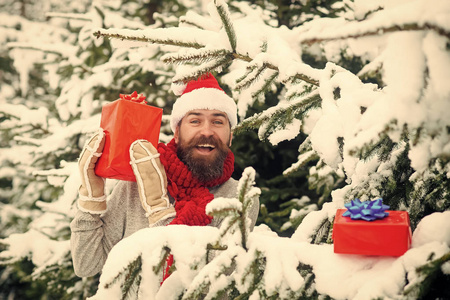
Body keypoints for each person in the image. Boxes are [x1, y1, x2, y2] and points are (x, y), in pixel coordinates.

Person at [70, 73, 260, 277]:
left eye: (218, 122)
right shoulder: (135, 184)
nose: (207, 131)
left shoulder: (240, 196)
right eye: (195, 121)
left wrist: (159, 210)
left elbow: (205, 282)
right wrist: (91, 201)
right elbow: (87, 265)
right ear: (177, 133)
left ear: (230, 137)